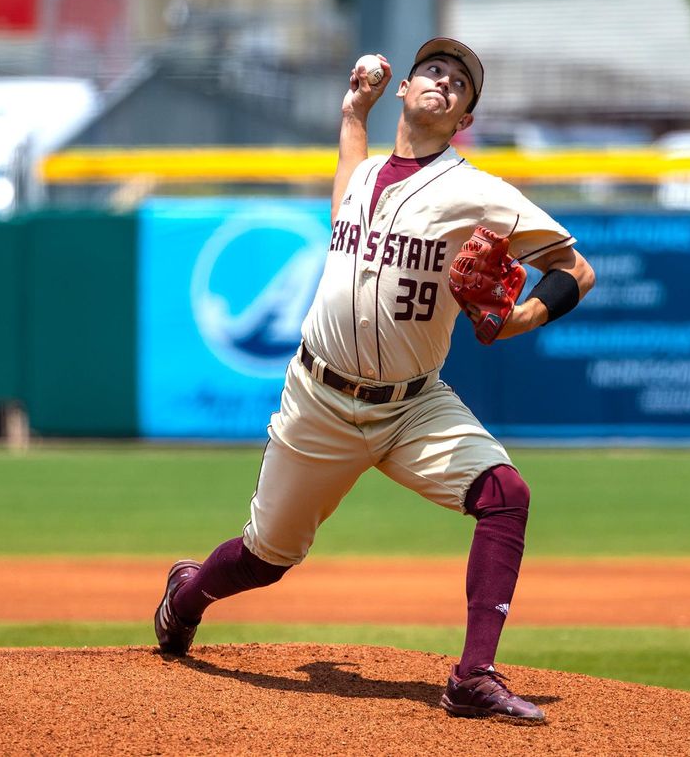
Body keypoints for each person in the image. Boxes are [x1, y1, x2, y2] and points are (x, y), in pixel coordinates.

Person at [155, 37, 595, 724]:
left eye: (459, 85)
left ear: (463, 121)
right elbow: (345, 193)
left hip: (413, 405)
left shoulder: (477, 192)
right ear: (406, 90)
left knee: (505, 494)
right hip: (319, 401)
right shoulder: (364, 178)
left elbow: (577, 269)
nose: (444, 82)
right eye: (434, 71)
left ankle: (472, 676)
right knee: (266, 558)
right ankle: (186, 597)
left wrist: (516, 321)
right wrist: (352, 114)